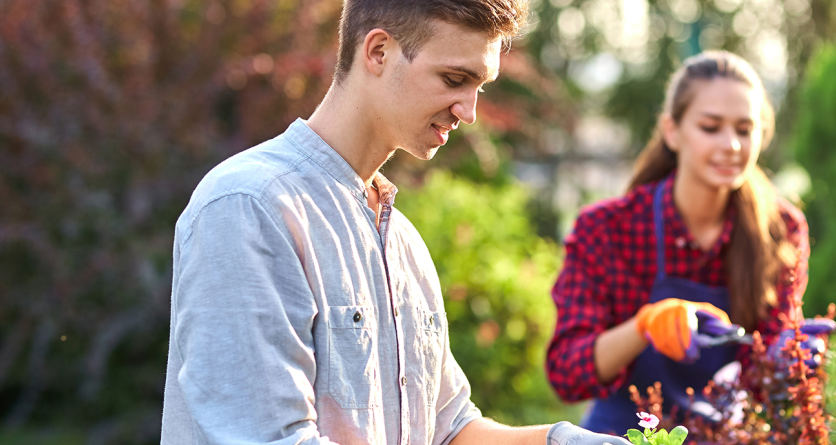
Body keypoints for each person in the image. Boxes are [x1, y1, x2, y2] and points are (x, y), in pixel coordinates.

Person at [160, 1, 629, 444]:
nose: (469, 111)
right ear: (379, 51)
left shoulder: (401, 241)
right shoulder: (251, 206)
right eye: (453, 79)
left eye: (478, 87)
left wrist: (563, 440)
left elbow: (450, 431)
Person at [545, 51, 834, 435]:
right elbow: (567, 372)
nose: (731, 145)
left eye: (744, 130)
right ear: (672, 131)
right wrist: (643, 326)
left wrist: (786, 358)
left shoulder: (780, 229)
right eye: (711, 127)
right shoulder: (607, 229)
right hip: (622, 435)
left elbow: (760, 377)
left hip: (725, 434)